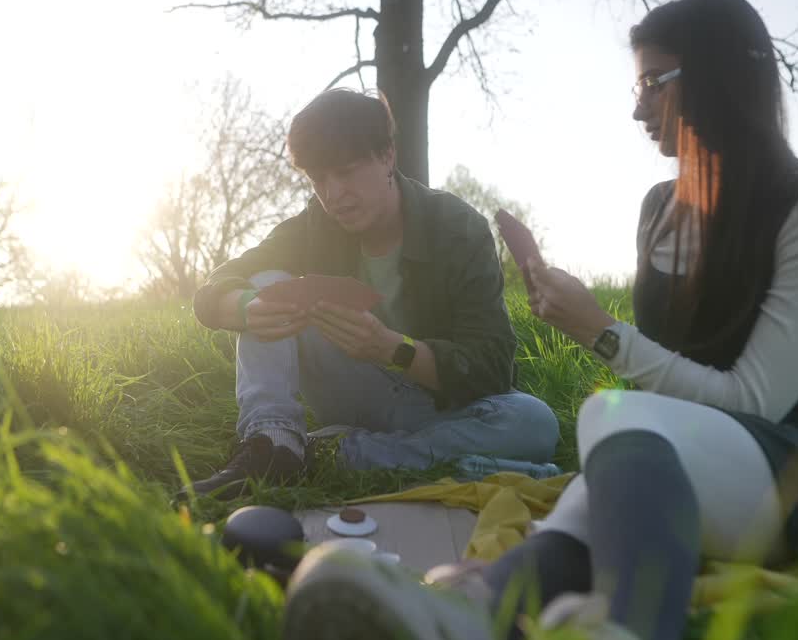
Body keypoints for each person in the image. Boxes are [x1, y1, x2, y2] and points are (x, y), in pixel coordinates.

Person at [279, 0, 798, 640]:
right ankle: (471, 613)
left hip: (797, 473)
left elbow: (756, 402)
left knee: (611, 421)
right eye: (636, 85)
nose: (638, 105)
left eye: (653, 82)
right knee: (596, 494)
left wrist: (601, 332)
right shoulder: (660, 208)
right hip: (680, 459)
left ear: (715, 74)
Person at [186, 88, 559, 498]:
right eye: (318, 179)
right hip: (352, 391)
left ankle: (333, 454)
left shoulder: (457, 227)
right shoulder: (312, 227)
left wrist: (393, 348)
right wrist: (244, 309)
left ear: (387, 156)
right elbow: (216, 287)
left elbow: (492, 367)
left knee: (534, 421)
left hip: (439, 406)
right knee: (265, 284)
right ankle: (272, 444)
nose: (333, 195)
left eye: (345, 171)